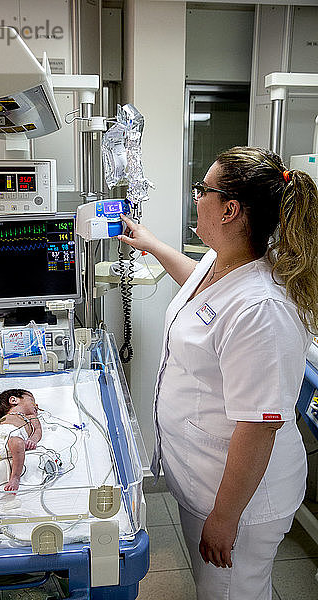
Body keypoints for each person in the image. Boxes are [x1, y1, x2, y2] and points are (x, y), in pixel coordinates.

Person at [118, 146, 318, 600]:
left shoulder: (261, 309)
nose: (195, 198)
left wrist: (225, 518)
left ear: (230, 209)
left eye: (201, 190)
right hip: (205, 477)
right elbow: (201, 292)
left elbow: (258, 425)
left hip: (242, 500)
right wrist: (150, 244)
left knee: (232, 593)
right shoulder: (222, 259)